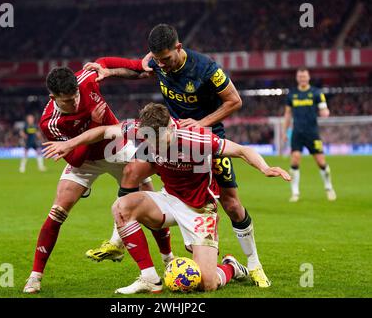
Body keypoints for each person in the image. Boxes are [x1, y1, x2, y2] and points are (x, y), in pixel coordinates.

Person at [84, 23, 272, 287]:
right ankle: (119, 239)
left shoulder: (207, 69)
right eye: (158, 61)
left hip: (204, 139)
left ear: (179, 48)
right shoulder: (159, 62)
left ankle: (252, 264)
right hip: (166, 137)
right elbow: (138, 71)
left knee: (231, 204)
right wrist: (109, 71)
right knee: (131, 170)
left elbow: (235, 101)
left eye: (167, 59)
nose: (163, 65)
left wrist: (202, 123)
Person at [42, 103, 291, 294]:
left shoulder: (196, 138)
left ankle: (232, 267)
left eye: (160, 141)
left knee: (207, 284)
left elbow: (241, 150)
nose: (156, 148)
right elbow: (104, 131)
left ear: (171, 127)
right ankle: (150, 278)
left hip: (199, 209)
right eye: (151, 141)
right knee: (121, 207)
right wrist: (69, 144)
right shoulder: (140, 130)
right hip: (168, 199)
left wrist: (265, 168)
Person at [23, 66, 172, 294]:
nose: (73, 104)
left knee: (147, 204)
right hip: (83, 161)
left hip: (117, 149)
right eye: (66, 102)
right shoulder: (48, 123)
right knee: (57, 211)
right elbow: (74, 158)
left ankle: (168, 260)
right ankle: (35, 276)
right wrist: (94, 123)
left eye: (75, 98)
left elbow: (104, 63)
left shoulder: (84, 80)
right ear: (53, 98)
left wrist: (138, 66)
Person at [282, 67, 337, 202]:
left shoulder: (316, 93)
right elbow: (288, 114)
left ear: (308, 77)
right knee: (294, 160)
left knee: (321, 162)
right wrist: (284, 131)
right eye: (300, 76)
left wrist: (325, 112)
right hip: (297, 133)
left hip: (312, 133)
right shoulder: (292, 94)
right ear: (297, 78)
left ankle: (329, 187)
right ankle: (295, 192)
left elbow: (324, 108)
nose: (302, 78)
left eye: (304, 76)